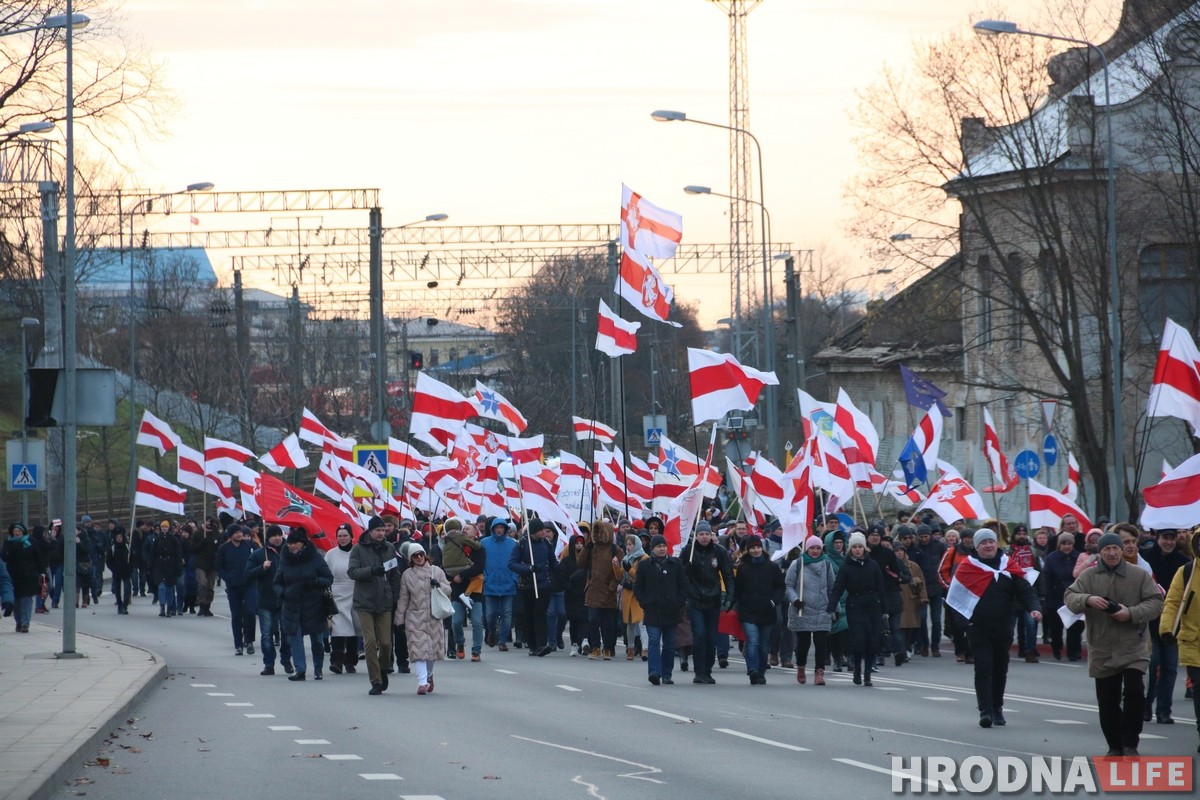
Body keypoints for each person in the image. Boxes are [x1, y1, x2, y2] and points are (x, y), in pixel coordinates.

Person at [1065, 531, 1164, 756]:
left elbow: (1156, 602)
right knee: (1107, 700)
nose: (1111, 553)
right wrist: (1087, 600)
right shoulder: (1089, 576)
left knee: (1135, 692)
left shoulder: (1138, 575)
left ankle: (1130, 742)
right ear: (1099, 552)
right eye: (1106, 549)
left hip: (1133, 645)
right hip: (1102, 647)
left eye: (1115, 548)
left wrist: (1129, 613)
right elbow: (1070, 597)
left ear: (1122, 550)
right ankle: (1114, 746)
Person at [949, 529, 1042, 728]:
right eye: (984, 543)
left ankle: (998, 707)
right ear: (976, 546)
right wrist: (966, 624)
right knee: (983, 668)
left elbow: (1025, 590)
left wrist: (1034, 608)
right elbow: (955, 600)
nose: (988, 545)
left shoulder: (1008, 565)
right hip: (978, 628)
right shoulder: (967, 567)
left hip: (1003, 627)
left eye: (991, 541)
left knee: (1000, 668)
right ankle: (985, 710)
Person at [348, 519, 403, 695]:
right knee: (370, 642)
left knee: (386, 643)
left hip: (385, 601)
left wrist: (395, 597)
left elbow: (394, 574)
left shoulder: (389, 548)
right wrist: (371, 570)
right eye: (378, 530)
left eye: (383, 530)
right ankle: (376, 680)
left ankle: (383, 669)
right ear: (370, 531)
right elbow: (352, 572)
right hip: (364, 601)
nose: (381, 533)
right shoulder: (358, 548)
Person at [1142, 528, 1189, 724]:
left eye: (1172, 538)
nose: (1168, 542)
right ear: (1157, 538)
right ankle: (1145, 705)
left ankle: (1164, 710)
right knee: (1152, 665)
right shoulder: (1145, 559)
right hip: (1151, 622)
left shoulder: (1184, 563)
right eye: (1165, 538)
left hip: (1173, 624)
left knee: (1169, 668)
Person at [1159, 528, 1200, 754]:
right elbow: (1173, 602)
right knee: (1199, 690)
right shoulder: (1186, 572)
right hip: (1193, 641)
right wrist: (1167, 628)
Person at [276, 528, 334, 681]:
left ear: (303, 543)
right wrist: (283, 593)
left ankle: (318, 668)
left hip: (314, 604)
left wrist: (315, 582)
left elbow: (328, 578)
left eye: (295, 543)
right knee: (295, 637)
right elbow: (277, 582)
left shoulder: (315, 558)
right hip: (292, 605)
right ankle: (300, 670)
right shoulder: (285, 559)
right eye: (289, 543)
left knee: (317, 639)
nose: (291, 546)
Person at [394, 541, 451, 695]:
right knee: (418, 649)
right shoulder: (407, 575)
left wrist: (438, 584)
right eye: (415, 555)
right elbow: (404, 597)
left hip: (434, 615)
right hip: (415, 616)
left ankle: (429, 675)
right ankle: (422, 682)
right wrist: (399, 618)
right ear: (410, 558)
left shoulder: (436, 571)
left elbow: (448, 589)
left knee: (431, 651)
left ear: (425, 555)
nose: (419, 557)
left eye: (421, 554)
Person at [682, 519, 735, 684]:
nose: (704, 537)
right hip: (694, 600)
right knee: (699, 635)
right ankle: (699, 671)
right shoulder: (688, 551)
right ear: (696, 536)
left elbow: (728, 575)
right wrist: (686, 570)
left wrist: (730, 598)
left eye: (707, 534)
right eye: (701, 534)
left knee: (711, 637)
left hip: (713, 600)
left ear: (712, 535)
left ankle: (708, 670)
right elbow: (679, 575)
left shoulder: (719, 552)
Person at [829, 531, 885, 686]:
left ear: (864, 548)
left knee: (872, 641)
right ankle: (857, 668)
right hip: (855, 606)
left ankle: (867, 673)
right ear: (850, 549)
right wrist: (831, 607)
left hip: (873, 607)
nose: (858, 550)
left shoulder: (873, 565)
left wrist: (885, 609)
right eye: (855, 547)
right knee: (859, 640)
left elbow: (881, 587)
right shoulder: (846, 568)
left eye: (860, 547)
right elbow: (838, 588)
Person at [634, 533, 686, 686]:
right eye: (658, 546)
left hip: (671, 611)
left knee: (669, 644)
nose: (662, 549)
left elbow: (683, 586)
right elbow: (638, 587)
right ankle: (654, 672)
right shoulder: (644, 565)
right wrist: (645, 602)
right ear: (652, 548)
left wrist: (679, 602)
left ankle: (667, 673)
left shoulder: (676, 564)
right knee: (654, 641)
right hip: (652, 610)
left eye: (664, 546)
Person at [734, 535, 784, 684]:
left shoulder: (772, 567)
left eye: (758, 547)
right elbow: (738, 589)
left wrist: (774, 601)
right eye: (752, 548)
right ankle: (752, 669)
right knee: (753, 641)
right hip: (748, 611)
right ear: (748, 550)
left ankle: (761, 672)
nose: (755, 550)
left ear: (762, 548)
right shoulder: (743, 568)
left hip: (767, 612)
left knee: (763, 646)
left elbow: (780, 587)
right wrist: (730, 603)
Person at [787, 535, 836, 685]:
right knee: (803, 643)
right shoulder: (798, 564)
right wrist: (795, 600)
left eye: (818, 548)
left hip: (822, 608)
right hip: (802, 609)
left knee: (821, 642)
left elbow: (832, 588)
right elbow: (788, 585)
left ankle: (819, 672)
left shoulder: (827, 565)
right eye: (812, 548)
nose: (815, 551)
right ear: (807, 548)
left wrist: (835, 607)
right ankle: (801, 666)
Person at [246, 525, 293, 676]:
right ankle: (269, 664)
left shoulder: (289, 553)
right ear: (269, 538)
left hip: (285, 599)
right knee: (267, 635)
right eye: (274, 535)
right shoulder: (260, 554)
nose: (278, 538)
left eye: (280, 535)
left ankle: (286, 659)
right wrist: (262, 568)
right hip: (266, 600)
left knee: (286, 633)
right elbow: (248, 574)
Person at [509, 519, 558, 657]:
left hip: (543, 584)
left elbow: (553, 562)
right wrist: (529, 568)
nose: (544, 532)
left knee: (541, 614)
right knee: (530, 615)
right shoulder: (522, 544)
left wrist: (561, 575)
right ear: (533, 531)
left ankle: (542, 644)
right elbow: (512, 564)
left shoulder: (546, 544)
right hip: (527, 585)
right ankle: (532, 644)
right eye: (540, 530)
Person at [443, 520, 486, 662]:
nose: (464, 531)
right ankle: (460, 644)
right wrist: (452, 576)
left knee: (476, 622)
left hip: (474, 590)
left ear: (475, 533)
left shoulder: (478, 549)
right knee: (456, 622)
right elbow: (448, 564)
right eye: (463, 529)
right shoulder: (453, 545)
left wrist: (462, 575)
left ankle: (476, 651)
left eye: (468, 529)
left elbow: (479, 567)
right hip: (458, 590)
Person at [579, 520, 623, 661]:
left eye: (601, 531)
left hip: (608, 592)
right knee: (592, 619)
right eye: (596, 531)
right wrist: (587, 548)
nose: (598, 534)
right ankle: (595, 647)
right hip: (593, 590)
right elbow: (580, 563)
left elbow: (620, 572)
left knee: (608, 623)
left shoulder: (616, 549)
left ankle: (608, 648)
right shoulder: (592, 548)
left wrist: (613, 585)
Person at [324, 523, 362, 675]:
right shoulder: (330, 554)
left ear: (351, 536)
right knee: (338, 628)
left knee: (354, 627)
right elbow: (325, 573)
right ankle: (337, 661)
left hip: (356, 591)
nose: (342, 538)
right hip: (337, 593)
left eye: (345, 535)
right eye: (339, 536)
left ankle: (351, 661)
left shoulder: (358, 552)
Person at [215, 525, 258, 655]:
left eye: (241, 532)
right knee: (236, 616)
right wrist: (228, 578)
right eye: (237, 533)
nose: (240, 535)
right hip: (233, 587)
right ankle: (238, 645)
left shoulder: (250, 546)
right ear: (231, 535)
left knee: (250, 612)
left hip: (249, 584)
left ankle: (249, 641)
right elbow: (219, 567)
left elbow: (259, 560)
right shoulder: (224, 549)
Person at [1006, 524, 1045, 663]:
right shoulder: (1008, 552)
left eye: (1024, 534)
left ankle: (1030, 651)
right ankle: (1004, 650)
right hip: (1011, 596)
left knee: (1031, 624)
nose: (1021, 536)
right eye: (1019, 534)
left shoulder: (1032, 552)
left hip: (1029, 594)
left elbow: (1039, 573)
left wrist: (1041, 594)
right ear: (1014, 536)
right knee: (1009, 626)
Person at [1043, 532, 1084, 661]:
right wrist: (1047, 598)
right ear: (1059, 545)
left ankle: (1074, 652)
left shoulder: (1078, 556)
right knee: (1056, 627)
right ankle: (1056, 646)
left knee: (1075, 626)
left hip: (1074, 596)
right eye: (1064, 544)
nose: (1067, 546)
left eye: (1069, 544)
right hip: (1056, 596)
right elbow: (1046, 579)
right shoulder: (1051, 558)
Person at [481, 518, 518, 651]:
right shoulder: (484, 542)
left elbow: (517, 561)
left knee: (507, 615)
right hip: (490, 584)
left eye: (502, 528)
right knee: (490, 614)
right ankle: (491, 632)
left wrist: (514, 577)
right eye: (497, 528)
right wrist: (485, 577)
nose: (499, 530)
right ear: (492, 529)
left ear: (505, 529)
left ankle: (502, 641)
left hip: (508, 584)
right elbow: (481, 561)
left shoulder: (513, 543)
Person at [939, 528, 975, 662]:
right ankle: (960, 650)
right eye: (966, 537)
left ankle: (971, 652)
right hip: (956, 595)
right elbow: (942, 571)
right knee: (957, 625)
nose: (969, 540)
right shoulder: (952, 552)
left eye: (971, 537)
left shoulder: (978, 553)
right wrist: (950, 587)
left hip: (973, 595)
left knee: (972, 624)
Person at [2, 523, 45, 632]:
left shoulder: (30, 542)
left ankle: (26, 623)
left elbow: (38, 557)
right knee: (16, 600)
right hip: (13, 576)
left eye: (19, 531)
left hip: (29, 576)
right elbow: (4, 557)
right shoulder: (8, 543)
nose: (16, 533)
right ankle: (19, 622)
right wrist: (10, 548)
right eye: (15, 531)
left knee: (26, 599)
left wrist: (42, 572)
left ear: (23, 532)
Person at [557, 534, 590, 656]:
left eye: (581, 543)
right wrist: (568, 586)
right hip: (571, 596)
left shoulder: (587, 560)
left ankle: (585, 640)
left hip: (584, 593)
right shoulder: (566, 560)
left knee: (584, 619)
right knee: (574, 621)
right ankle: (574, 644)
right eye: (577, 543)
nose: (579, 545)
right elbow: (560, 576)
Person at [618, 531, 648, 661]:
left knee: (642, 624)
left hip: (639, 595)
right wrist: (615, 566)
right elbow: (619, 576)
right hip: (628, 594)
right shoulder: (626, 558)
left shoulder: (644, 558)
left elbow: (641, 577)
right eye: (627, 544)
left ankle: (645, 649)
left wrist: (629, 568)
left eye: (630, 544)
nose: (628, 547)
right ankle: (630, 649)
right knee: (630, 624)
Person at [895, 545, 928, 653]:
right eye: (896, 550)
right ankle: (902, 649)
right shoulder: (891, 565)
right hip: (897, 599)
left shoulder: (914, 566)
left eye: (901, 550)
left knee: (911, 627)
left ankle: (909, 646)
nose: (899, 553)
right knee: (899, 626)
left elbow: (921, 583)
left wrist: (923, 597)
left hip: (911, 600)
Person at [150, 520, 182, 617]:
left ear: (168, 528)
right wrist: (151, 566)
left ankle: (169, 607)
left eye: (166, 527)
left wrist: (178, 566)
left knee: (169, 588)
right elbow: (152, 553)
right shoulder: (157, 539)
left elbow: (178, 554)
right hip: (159, 566)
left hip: (170, 566)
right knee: (161, 588)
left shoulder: (173, 539)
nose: (164, 528)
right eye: (163, 527)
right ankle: (162, 606)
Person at [190, 518, 221, 617]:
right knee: (202, 583)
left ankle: (208, 605)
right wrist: (201, 544)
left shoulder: (216, 534)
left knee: (210, 586)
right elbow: (193, 549)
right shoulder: (198, 534)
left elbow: (220, 547)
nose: (208, 523)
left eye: (210, 521)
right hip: (201, 563)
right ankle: (202, 604)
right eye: (206, 521)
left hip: (212, 564)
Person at [106, 529, 132, 615]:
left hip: (126, 572)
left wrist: (130, 567)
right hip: (116, 572)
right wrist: (113, 569)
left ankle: (125, 605)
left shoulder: (127, 546)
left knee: (127, 589)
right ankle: (119, 605)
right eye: (117, 537)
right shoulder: (113, 548)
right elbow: (108, 561)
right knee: (117, 590)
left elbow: (132, 559)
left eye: (120, 537)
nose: (119, 538)